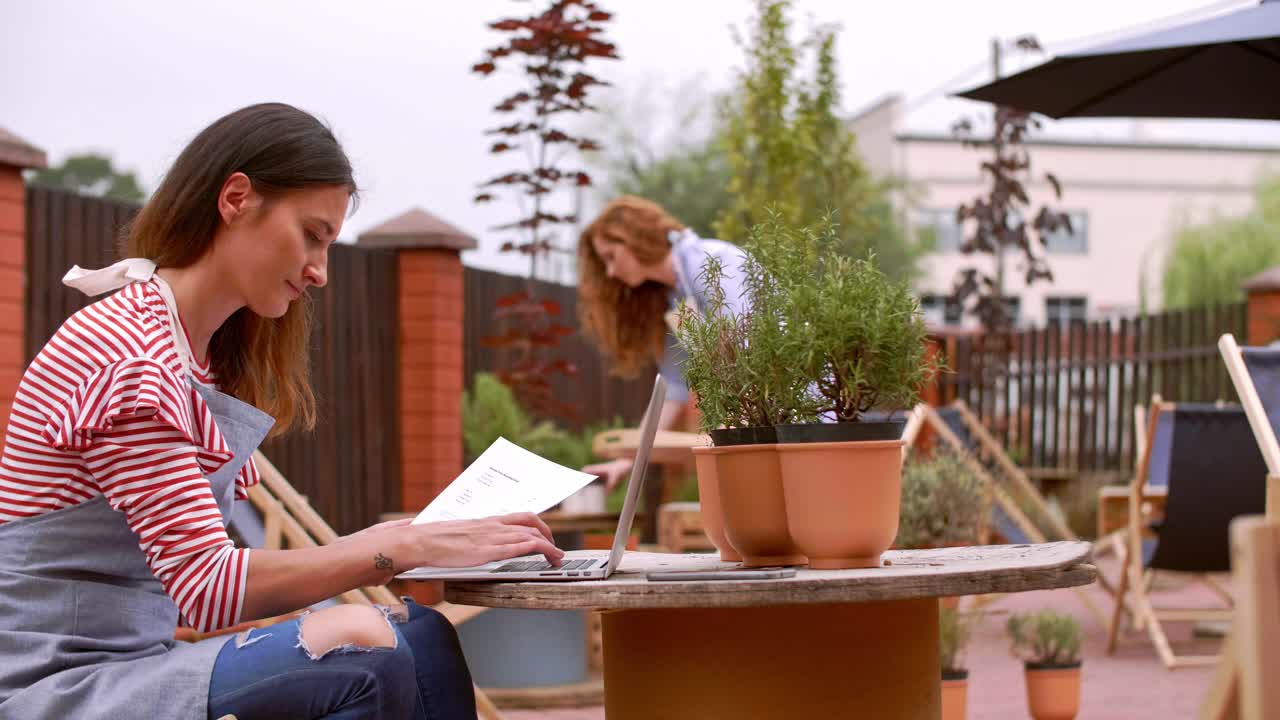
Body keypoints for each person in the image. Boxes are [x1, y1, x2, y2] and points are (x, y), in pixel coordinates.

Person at [0, 103, 563, 720]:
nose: (320, 271)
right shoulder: (130, 353)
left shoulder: (191, 354)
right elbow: (209, 589)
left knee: (422, 634)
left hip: (135, 661)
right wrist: (404, 548)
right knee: (364, 648)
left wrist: (385, 541)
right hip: (56, 686)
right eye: (312, 234)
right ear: (237, 198)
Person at [577, 196, 748, 489]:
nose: (610, 272)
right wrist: (628, 460)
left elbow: (748, 348)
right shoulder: (679, 300)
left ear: (634, 239)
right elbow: (673, 388)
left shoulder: (709, 261)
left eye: (611, 256)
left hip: (810, 418)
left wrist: (732, 426)